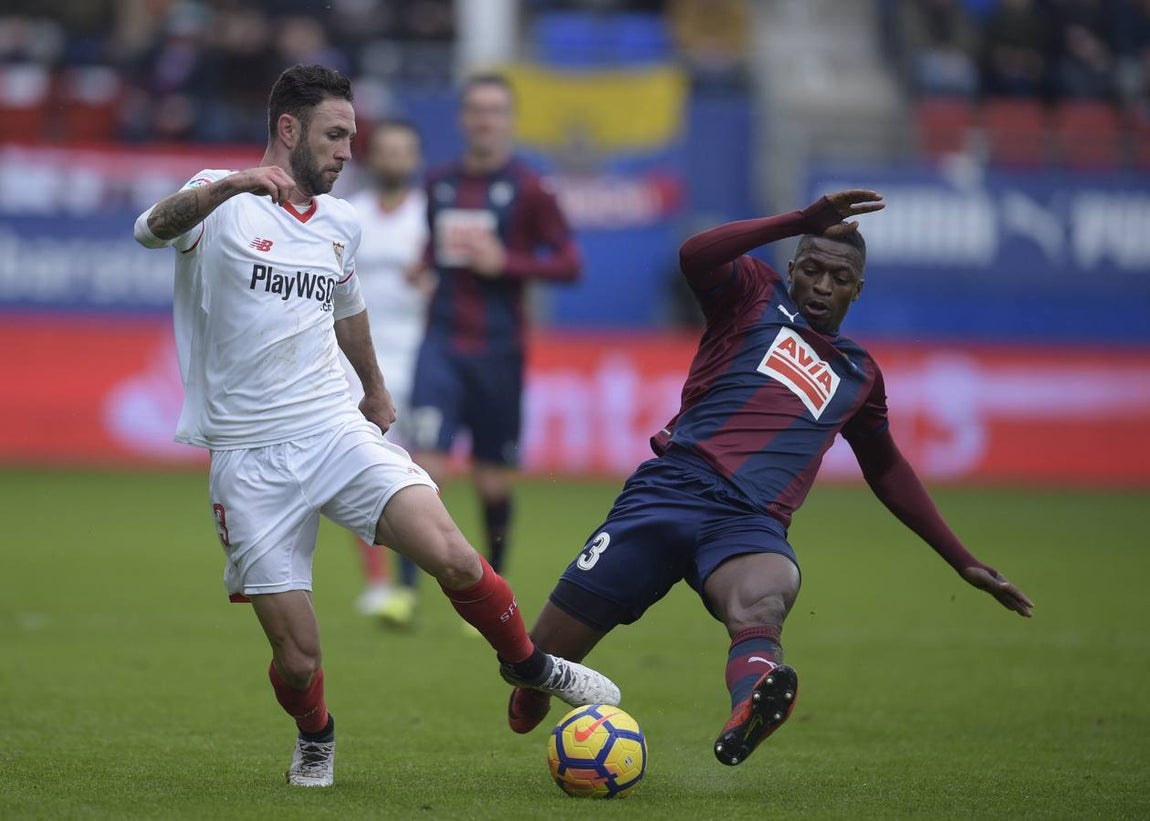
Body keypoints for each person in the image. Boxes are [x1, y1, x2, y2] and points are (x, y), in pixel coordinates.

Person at [131, 63, 619, 789]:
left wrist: (376, 391)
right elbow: (148, 230)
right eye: (335, 135)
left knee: (452, 552)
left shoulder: (341, 221)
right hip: (249, 455)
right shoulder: (218, 199)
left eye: (353, 136)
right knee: (297, 658)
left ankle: (531, 666)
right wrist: (230, 185)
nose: (347, 151)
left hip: (335, 427)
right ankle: (316, 733)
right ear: (288, 129)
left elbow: (347, 309)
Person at [504, 189, 1034, 768]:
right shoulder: (754, 295)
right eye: (812, 270)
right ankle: (537, 681)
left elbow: (886, 469)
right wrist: (801, 220)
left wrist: (960, 558)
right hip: (671, 491)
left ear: (858, 290)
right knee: (534, 658)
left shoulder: (859, 375)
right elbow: (695, 254)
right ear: (792, 269)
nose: (823, 287)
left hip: (749, 523)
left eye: (839, 278)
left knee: (766, 597)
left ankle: (752, 700)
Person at [406, 72, 581, 602]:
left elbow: (570, 264)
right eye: (476, 109)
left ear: (509, 121)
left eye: (495, 110)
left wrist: (508, 263)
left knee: (490, 481)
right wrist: (423, 265)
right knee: (424, 466)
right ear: (463, 118)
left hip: (499, 348)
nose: (485, 119)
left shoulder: (529, 187)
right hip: (440, 340)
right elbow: (438, 248)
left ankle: (491, 588)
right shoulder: (439, 183)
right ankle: (405, 592)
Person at [343, 119, 431, 625]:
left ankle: (410, 579)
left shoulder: (427, 216)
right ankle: (379, 585)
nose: (394, 159)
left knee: (414, 470)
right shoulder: (350, 216)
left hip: (418, 353)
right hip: (357, 358)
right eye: (386, 150)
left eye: (404, 151)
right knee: (360, 467)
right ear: (372, 157)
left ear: (414, 159)